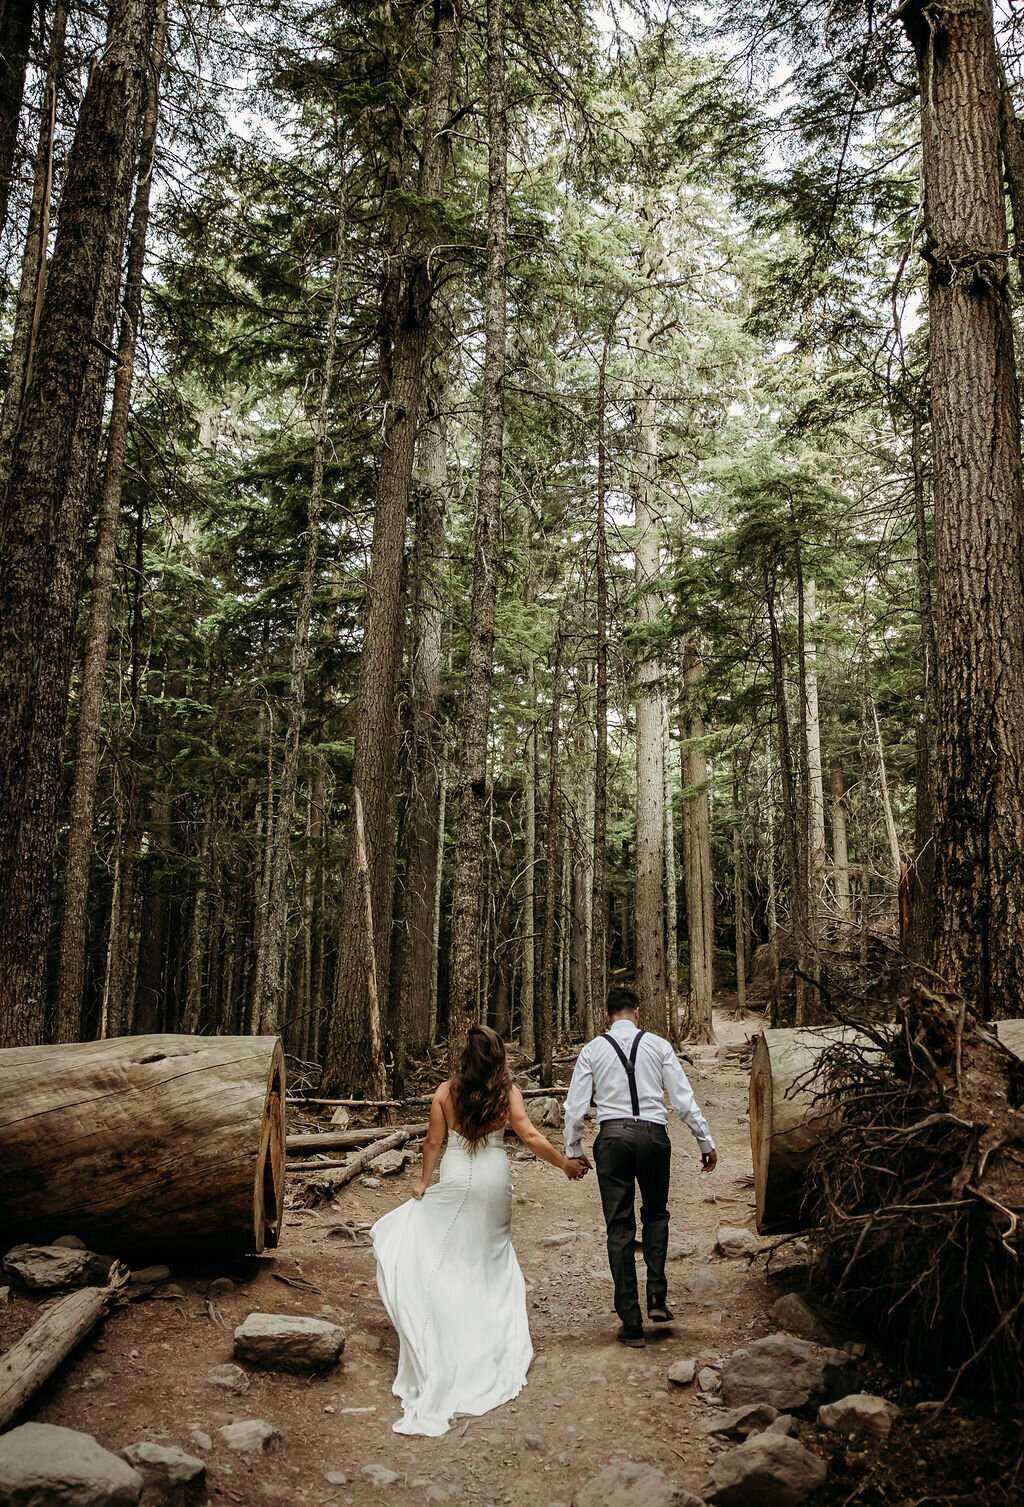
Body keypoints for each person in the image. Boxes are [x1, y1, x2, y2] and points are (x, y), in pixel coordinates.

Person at [372, 1023, 589, 1437]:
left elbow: (433, 1144)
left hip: (456, 1175)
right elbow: (526, 1134)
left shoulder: (445, 1092)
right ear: (496, 1057)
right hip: (492, 1179)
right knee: (490, 1256)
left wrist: (422, 1181)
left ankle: (449, 1333)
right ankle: (489, 1339)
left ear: (465, 1058)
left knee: (453, 1256)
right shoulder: (506, 1092)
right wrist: (563, 1164)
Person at [562, 985, 717, 1347]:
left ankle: (630, 1321)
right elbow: (682, 1099)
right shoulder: (659, 1045)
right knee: (656, 1214)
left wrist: (573, 1148)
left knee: (618, 1226)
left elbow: (574, 1107)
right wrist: (704, 1141)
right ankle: (658, 1297)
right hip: (653, 1137)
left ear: (606, 1017)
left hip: (612, 1139)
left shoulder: (592, 1050)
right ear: (637, 1013)